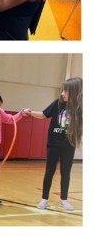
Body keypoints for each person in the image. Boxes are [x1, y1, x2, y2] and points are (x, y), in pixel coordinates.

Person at [30, 77, 83, 210]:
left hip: (68, 145)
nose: (62, 93)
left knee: (66, 172)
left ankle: (64, 199)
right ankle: (44, 198)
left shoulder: (79, 108)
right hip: (53, 143)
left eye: (66, 91)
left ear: (74, 91)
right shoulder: (57, 104)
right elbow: (43, 114)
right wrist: (30, 113)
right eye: (62, 90)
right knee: (49, 171)